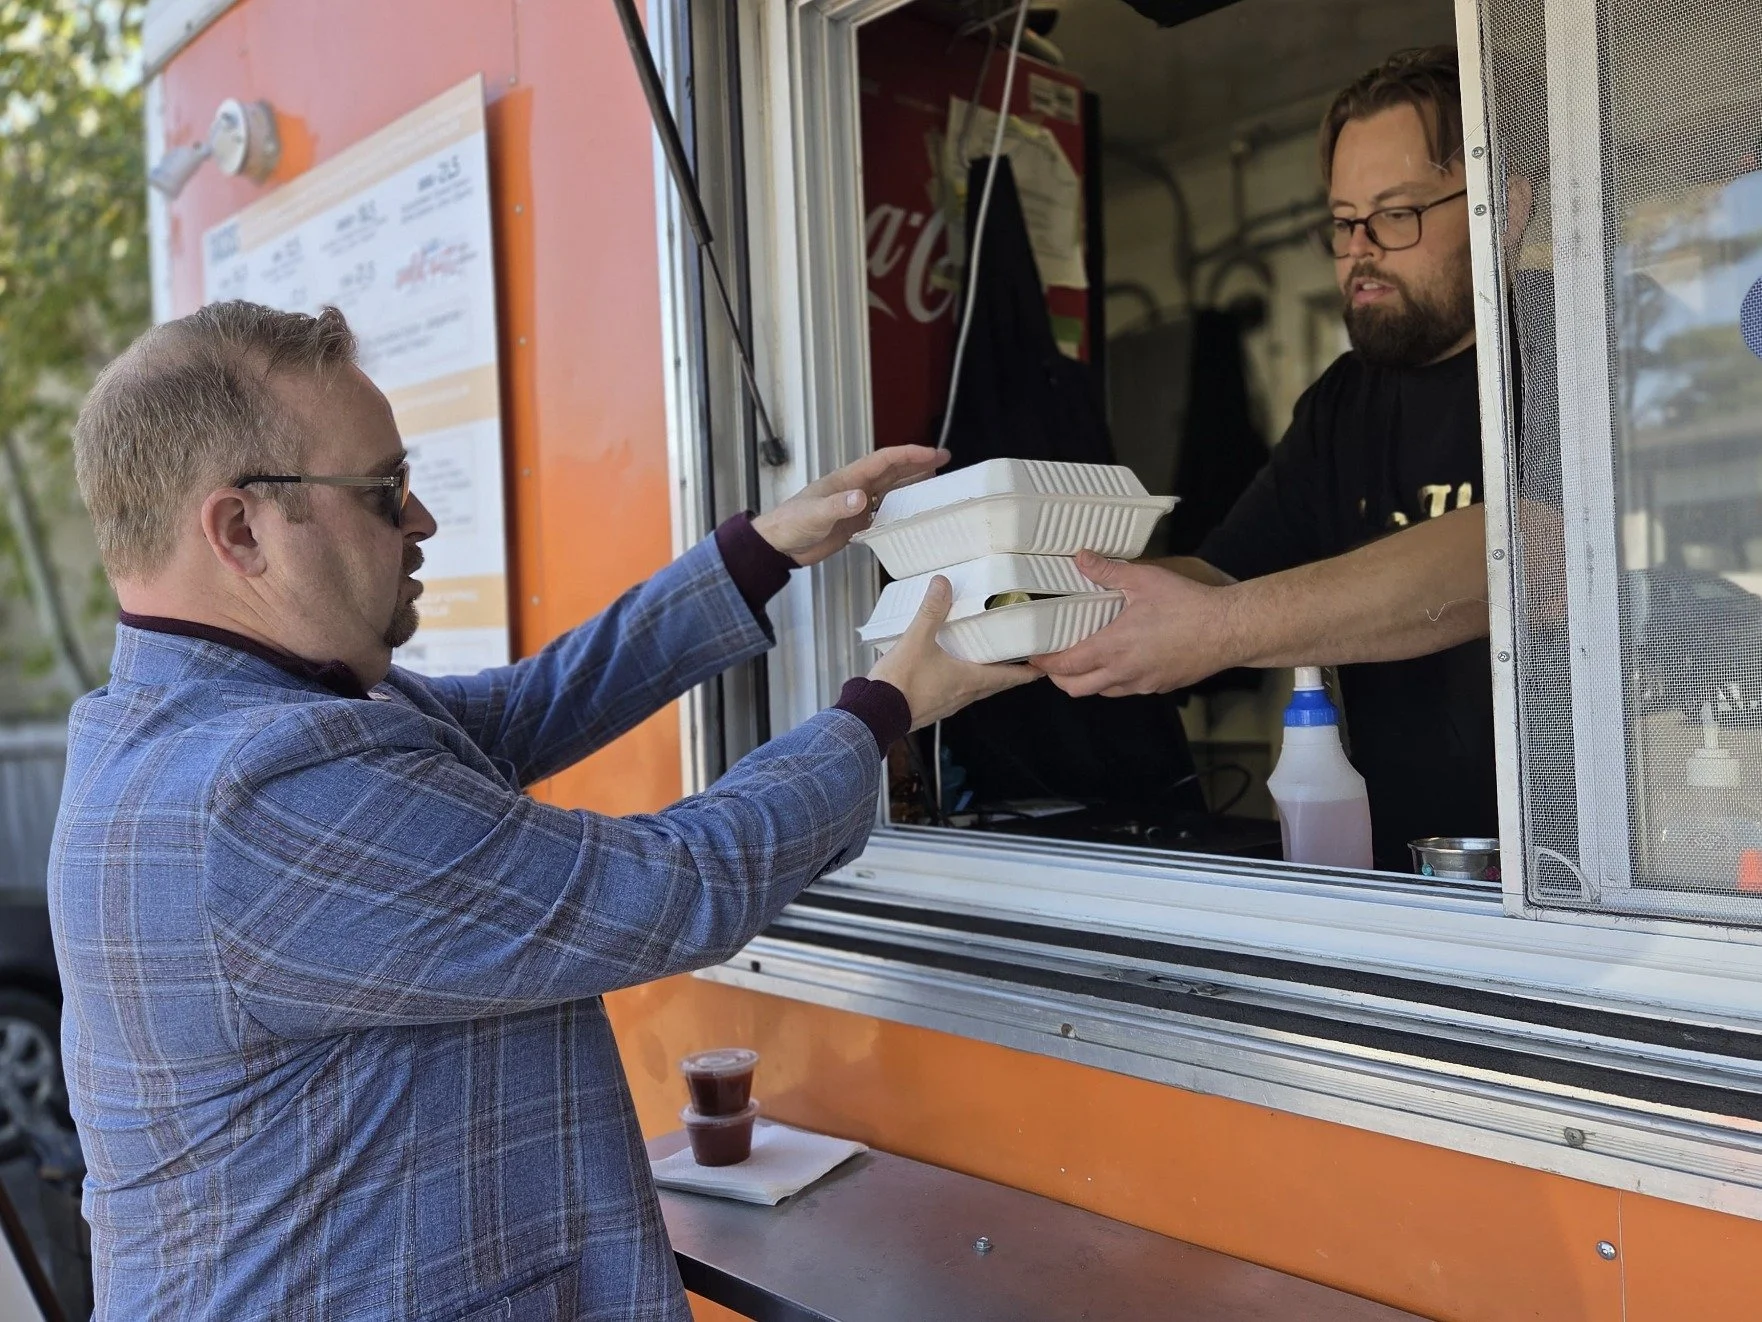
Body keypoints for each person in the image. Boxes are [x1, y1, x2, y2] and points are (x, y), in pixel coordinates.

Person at [49, 300, 1034, 1320]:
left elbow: (526, 706)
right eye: (387, 491)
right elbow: (670, 889)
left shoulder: (201, 718)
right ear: (240, 528)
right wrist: (885, 705)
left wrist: (762, 551)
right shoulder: (263, 791)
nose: (421, 521)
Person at [1034, 46, 1499, 871]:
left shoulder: (1563, 357)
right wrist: (1034, 614)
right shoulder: (1342, 403)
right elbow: (1218, 576)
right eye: (1343, 219)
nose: (1360, 249)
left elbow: (1512, 556)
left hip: (1577, 882)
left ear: (1508, 203)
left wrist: (1221, 631)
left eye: (1397, 214)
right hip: (1406, 879)